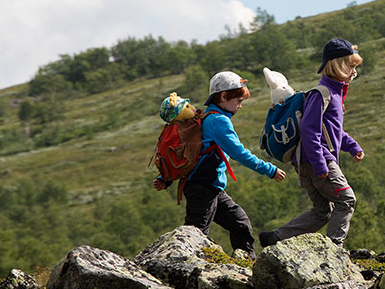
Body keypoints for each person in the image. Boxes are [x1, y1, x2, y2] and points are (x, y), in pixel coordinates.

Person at [153, 71, 286, 258]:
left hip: (210, 187)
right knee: (196, 234)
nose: (240, 105)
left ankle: (247, 263)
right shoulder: (219, 121)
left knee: (240, 224)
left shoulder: (207, 116)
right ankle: (181, 265)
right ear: (223, 96)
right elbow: (239, 153)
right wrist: (270, 170)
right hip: (203, 188)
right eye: (238, 100)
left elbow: (190, 153)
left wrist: (165, 178)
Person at [260, 38, 364, 247]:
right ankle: (334, 249)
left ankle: (275, 238)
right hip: (317, 160)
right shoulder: (322, 94)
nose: (354, 71)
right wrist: (320, 164)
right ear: (337, 65)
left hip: (309, 160)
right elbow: (310, 131)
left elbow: (332, 130)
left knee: (323, 212)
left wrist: (352, 146)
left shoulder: (333, 93)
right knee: (346, 200)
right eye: (351, 66)